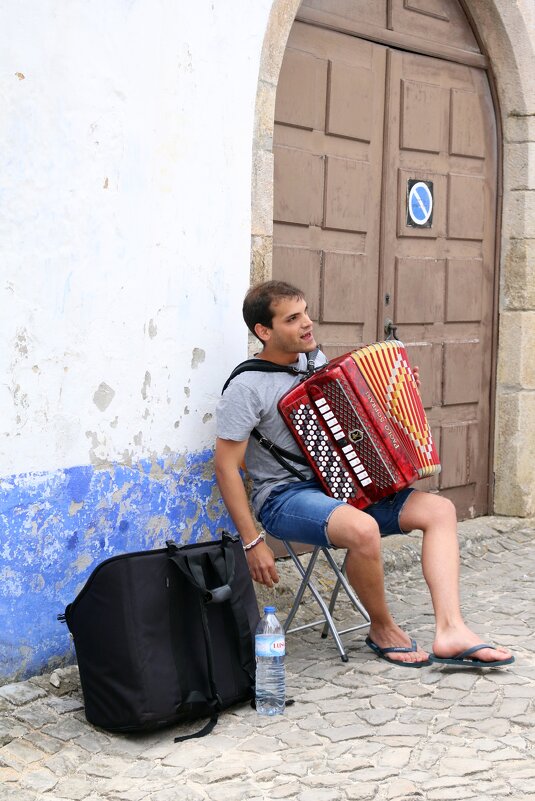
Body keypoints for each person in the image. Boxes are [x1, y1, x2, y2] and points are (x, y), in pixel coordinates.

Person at [215, 280, 514, 668]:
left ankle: (451, 630)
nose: (307, 323)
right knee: (363, 530)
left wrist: (394, 393)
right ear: (264, 331)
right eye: (293, 318)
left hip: (341, 486)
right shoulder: (245, 387)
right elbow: (226, 466)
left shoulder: (317, 364)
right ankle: (382, 627)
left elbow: (354, 425)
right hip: (284, 497)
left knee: (439, 512)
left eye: (305, 312)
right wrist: (253, 542)